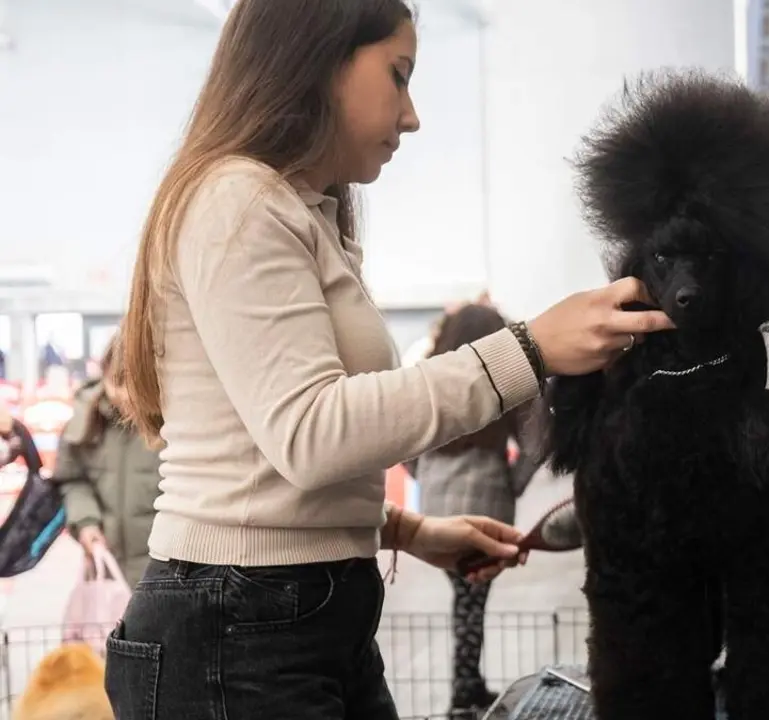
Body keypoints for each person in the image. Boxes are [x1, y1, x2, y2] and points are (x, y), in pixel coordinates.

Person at [105, 2, 674, 718]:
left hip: (297, 617)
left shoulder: (300, 213)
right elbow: (309, 434)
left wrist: (410, 533)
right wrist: (528, 351)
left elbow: (268, 461)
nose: (411, 116)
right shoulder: (237, 203)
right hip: (237, 631)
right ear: (318, 57)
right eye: (398, 77)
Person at [413, 303, 534, 713]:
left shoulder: (433, 373)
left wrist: (423, 476)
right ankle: (462, 695)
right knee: (472, 598)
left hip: (435, 505)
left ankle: (469, 684)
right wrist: (512, 483)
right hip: (485, 501)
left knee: (465, 597)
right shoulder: (503, 377)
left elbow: (405, 442)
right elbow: (537, 443)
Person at [49, 338, 160, 587]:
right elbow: (72, 480)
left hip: (164, 573)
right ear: (104, 375)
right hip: (107, 567)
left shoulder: (174, 422)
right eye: (116, 384)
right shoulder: (85, 422)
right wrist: (86, 522)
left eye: (134, 384)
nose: (125, 395)